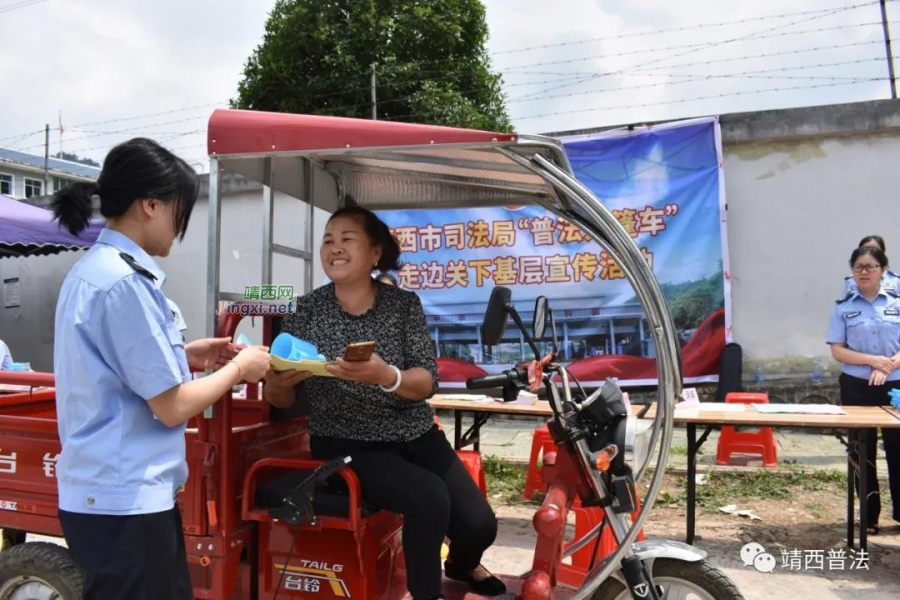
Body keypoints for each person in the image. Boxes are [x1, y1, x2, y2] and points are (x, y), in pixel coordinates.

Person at [50, 137, 272, 600]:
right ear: (150, 205)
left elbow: (114, 364)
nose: (181, 226)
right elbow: (172, 407)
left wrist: (187, 355)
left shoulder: (96, 271)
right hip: (124, 502)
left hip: (113, 497)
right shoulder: (124, 283)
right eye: (179, 211)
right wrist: (241, 368)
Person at [263, 206, 504, 600]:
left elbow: (426, 381)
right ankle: (427, 595)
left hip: (416, 434)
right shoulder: (305, 311)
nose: (334, 248)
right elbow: (281, 397)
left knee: (480, 526)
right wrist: (277, 384)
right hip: (348, 443)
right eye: (328, 240)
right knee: (428, 497)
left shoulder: (403, 306)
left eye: (347, 239)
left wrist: (386, 376)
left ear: (375, 253)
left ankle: (460, 565)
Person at [827, 244, 900, 535]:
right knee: (862, 450)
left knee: (898, 449)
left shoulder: (897, 302)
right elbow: (837, 351)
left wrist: (889, 366)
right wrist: (875, 362)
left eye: (870, 267)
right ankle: (868, 516)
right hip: (857, 385)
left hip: (895, 384)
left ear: (882, 270)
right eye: (858, 267)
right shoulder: (844, 307)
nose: (864, 272)